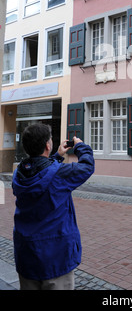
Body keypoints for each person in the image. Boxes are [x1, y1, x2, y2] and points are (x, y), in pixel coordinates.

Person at [12, 123, 94, 290]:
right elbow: (87, 166)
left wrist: (57, 155)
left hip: (27, 254)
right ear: (47, 145)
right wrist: (80, 147)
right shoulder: (60, 174)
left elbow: (41, 172)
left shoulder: (19, 172)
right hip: (55, 257)